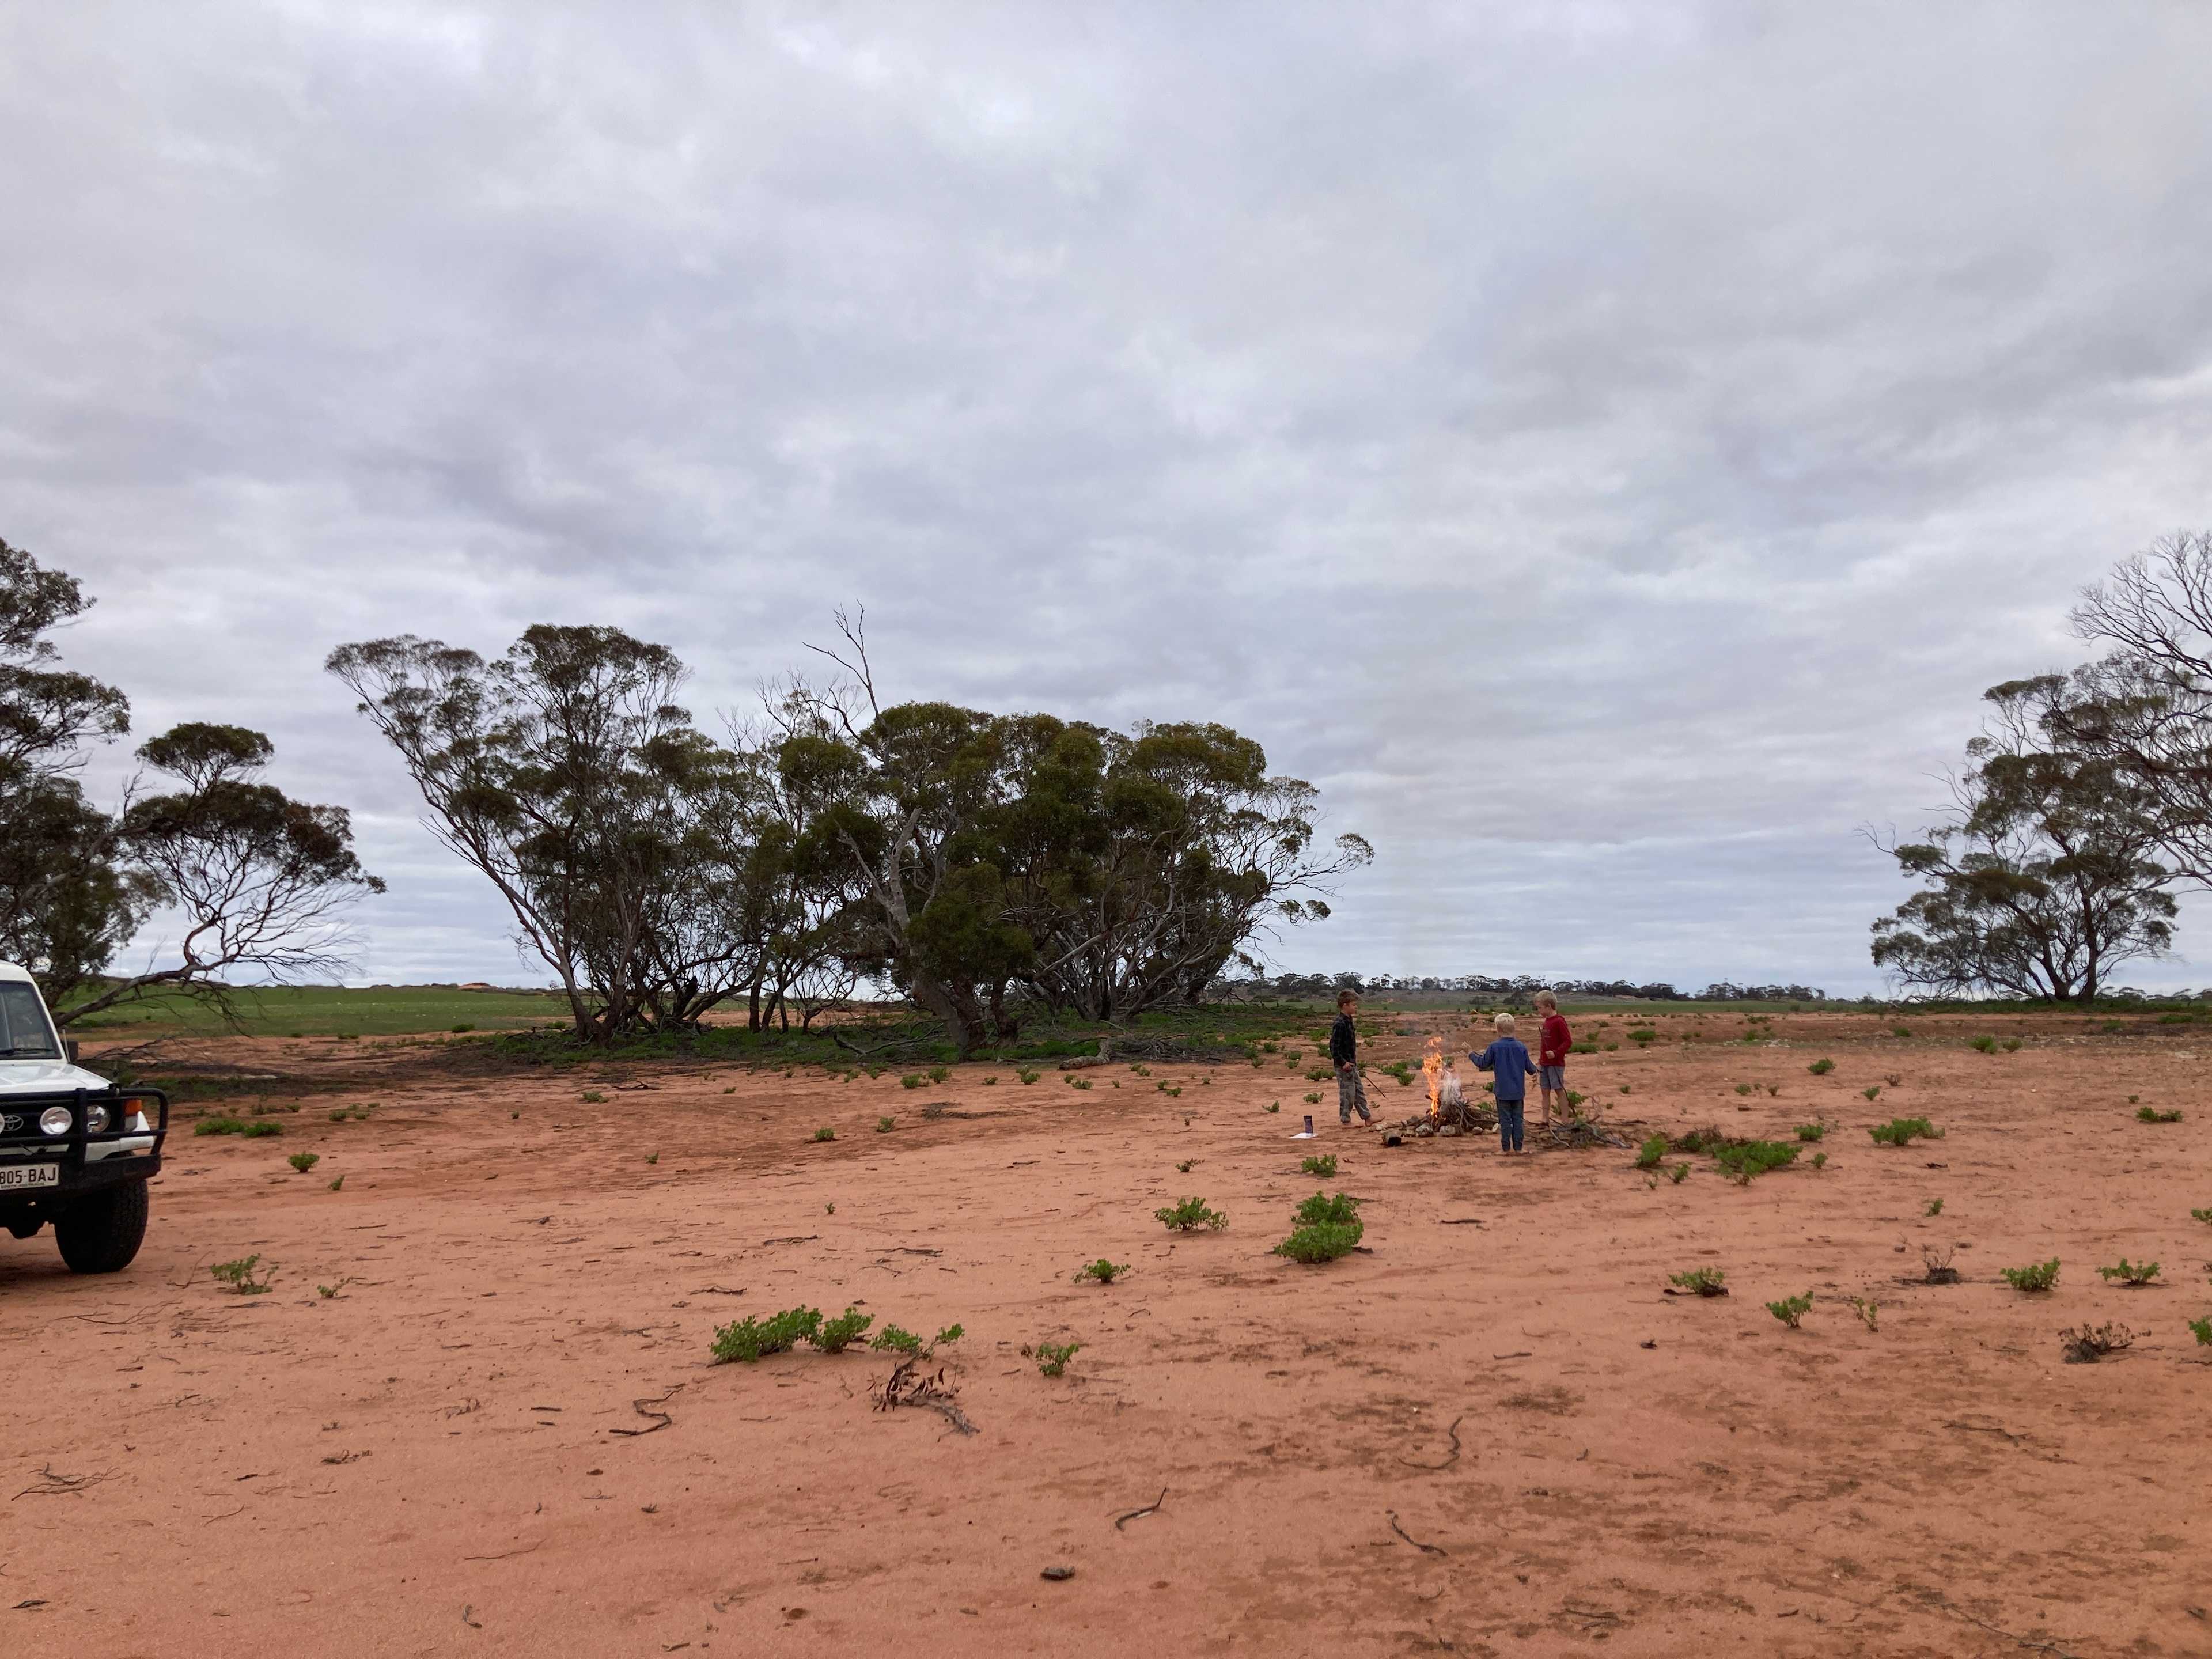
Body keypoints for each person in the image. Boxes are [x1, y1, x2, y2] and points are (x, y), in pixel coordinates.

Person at [1472, 1012, 1539, 1153]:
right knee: (1518, 1119)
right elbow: (1530, 1067)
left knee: (1505, 1120)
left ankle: (1505, 1149)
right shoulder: (1521, 1047)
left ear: (1498, 1030)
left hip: (1502, 1091)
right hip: (1518, 1091)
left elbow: (1483, 1064)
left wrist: (1470, 1054)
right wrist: (1536, 1073)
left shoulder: (1494, 1047)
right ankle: (1519, 1148)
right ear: (1514, 1028)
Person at [1329, 989, 1374, 1127]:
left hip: (1352, 1064)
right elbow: (1334, 1048)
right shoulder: (1340, 1024)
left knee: (1359, 1092)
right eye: (1354, 1005)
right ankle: (1346, 1120)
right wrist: (1343, 1063)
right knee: (1347, 1093)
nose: (1356, 1007)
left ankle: (1367, 1118)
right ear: (1345, 1005)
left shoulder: (1349, 1021)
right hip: (1344, 1066)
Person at [1534, 989, 1572, 1125]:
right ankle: (1545, 1119)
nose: (1538, 1011)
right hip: (1545, 1064)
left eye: (1540, 1008)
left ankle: (1565, 1121)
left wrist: (1556, 1053)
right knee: (1545, 1091)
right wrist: (1540, 1061)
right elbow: (1544, 1046)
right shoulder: (1547, 1022)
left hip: (1556, 1064)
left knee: (1559, 1090)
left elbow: (1568, 1042)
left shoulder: (1559, 1021)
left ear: (1549, 1006)